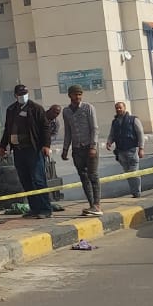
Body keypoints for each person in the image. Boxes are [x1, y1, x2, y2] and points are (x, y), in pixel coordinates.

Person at [0, 84, 52, 218]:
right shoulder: (11, 110)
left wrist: (46, 145)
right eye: (20, 94)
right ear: (15, 96)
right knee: (26, 180)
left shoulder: (36, 108)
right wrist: (3, 146)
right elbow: (7, 129)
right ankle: (34, 208)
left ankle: (45, 209)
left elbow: (45, 128)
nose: (23, 96)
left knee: (38, 180)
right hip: (18, 151)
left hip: (33, 150)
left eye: (25, 94)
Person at [60, 85, 103, 214]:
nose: (78, 97)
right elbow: (68, 131)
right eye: (75, 94)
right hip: (77, 149)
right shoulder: (66, 111)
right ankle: (91, 204)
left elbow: (94, 128)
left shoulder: (88, 108)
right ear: (70, 95)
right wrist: (65, 149)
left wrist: (93, 146)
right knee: (83, 176)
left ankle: (97, 205)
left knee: (93, 175)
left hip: (89, 147)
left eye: (80, 94)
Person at [106, 101, 146, 198]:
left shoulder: (133, 120)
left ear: (124, 108)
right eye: (117, 108)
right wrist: (109, 142)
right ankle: (134, 192)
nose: (118, 109)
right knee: (128, 174)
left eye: (120, 107)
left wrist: (141, 148)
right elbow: (112, 134)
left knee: (134, 173)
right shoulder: (115, 122)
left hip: (131, 150)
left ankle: (137, 193)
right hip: (120, 152)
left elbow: (140, 134)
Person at [43, 104, 66, 210]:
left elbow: (54, 135)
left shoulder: (56, 123)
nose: (56, 115)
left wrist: (47, 142)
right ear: (50, 110)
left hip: (46, 146)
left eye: (58, 113)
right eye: (55, 112)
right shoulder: (41, 116)